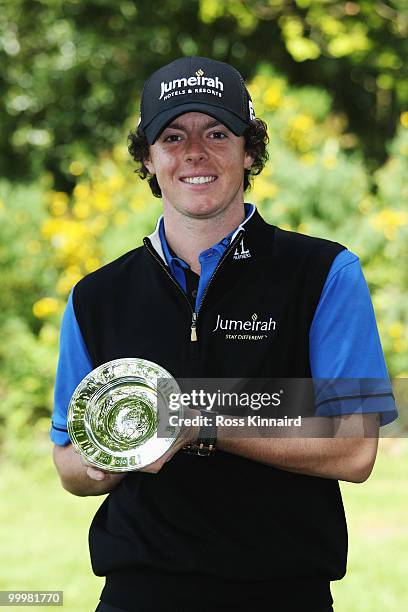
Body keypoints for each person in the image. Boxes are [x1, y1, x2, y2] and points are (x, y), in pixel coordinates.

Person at [51, 56, 397, 612]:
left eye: (217, 132)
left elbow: (355, 448)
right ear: (148, 157)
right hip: (137, 593)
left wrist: (200, 424)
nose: (194, 153)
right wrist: (106, 458)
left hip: (282, 594)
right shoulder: (95, 296)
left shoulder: (324, 273)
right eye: (171, 136)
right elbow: (68, 462)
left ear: (249, 150)